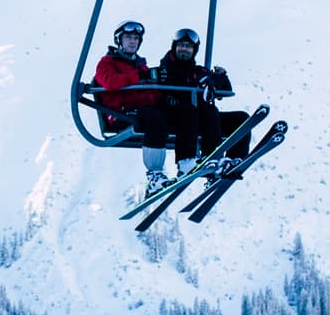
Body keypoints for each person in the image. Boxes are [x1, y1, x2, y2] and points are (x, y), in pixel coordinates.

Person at [92, 20, 176, 191]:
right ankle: (154, 174)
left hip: (141, 111)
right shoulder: (107, 62)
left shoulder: (140, 65)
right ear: (119, 40)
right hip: (119, 114)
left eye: (136, 38)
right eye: (128, 37)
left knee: (180, 112)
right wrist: (139, 76)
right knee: (155, 118)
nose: (132, 41)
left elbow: (149, 92)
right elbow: (109, 81)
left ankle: (193, 159)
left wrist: (167, 98)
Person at [154, 27, 251, 174]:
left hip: (203, 121)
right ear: (174, 47)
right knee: (198, 108)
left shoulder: (198, 71)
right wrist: (199, 84)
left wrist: (219, 77)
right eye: (181, 46)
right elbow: (173, 85)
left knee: (241, 119)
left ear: (194, 50)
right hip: (177, 119)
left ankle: (233, 160)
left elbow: (224, 89)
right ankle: (198, 158)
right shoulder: (166, 68)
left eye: (188, 47)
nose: (184, 50)